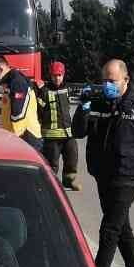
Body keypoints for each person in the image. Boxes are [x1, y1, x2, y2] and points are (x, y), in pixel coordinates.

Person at [70, 59, 134, 267]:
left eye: (112, 80)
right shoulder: (99, 102)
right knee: (121, 227)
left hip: (128, 174)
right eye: (104, 80)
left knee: (110, 228)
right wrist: (83, 108)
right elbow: (78, 132)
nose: (107, 85)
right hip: (103, 173)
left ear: (126, 80)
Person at [36, 61, 81, 190]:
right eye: (55, 75)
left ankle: (69, 181)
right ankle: (51, 185)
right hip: (51, 136)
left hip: (68, 134)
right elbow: (39, 111)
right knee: (52, 163)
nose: (57, 78)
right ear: (50, 76)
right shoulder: (44, 91)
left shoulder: (68, 88)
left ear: (63, 75)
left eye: (59, 75)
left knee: (72, 159)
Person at [0, 54, 41, 150]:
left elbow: (18, 114)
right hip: (18, 135)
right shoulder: (10, 82)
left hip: (26, 136)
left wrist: (12, 136)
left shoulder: (17, 82)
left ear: (1, 69)